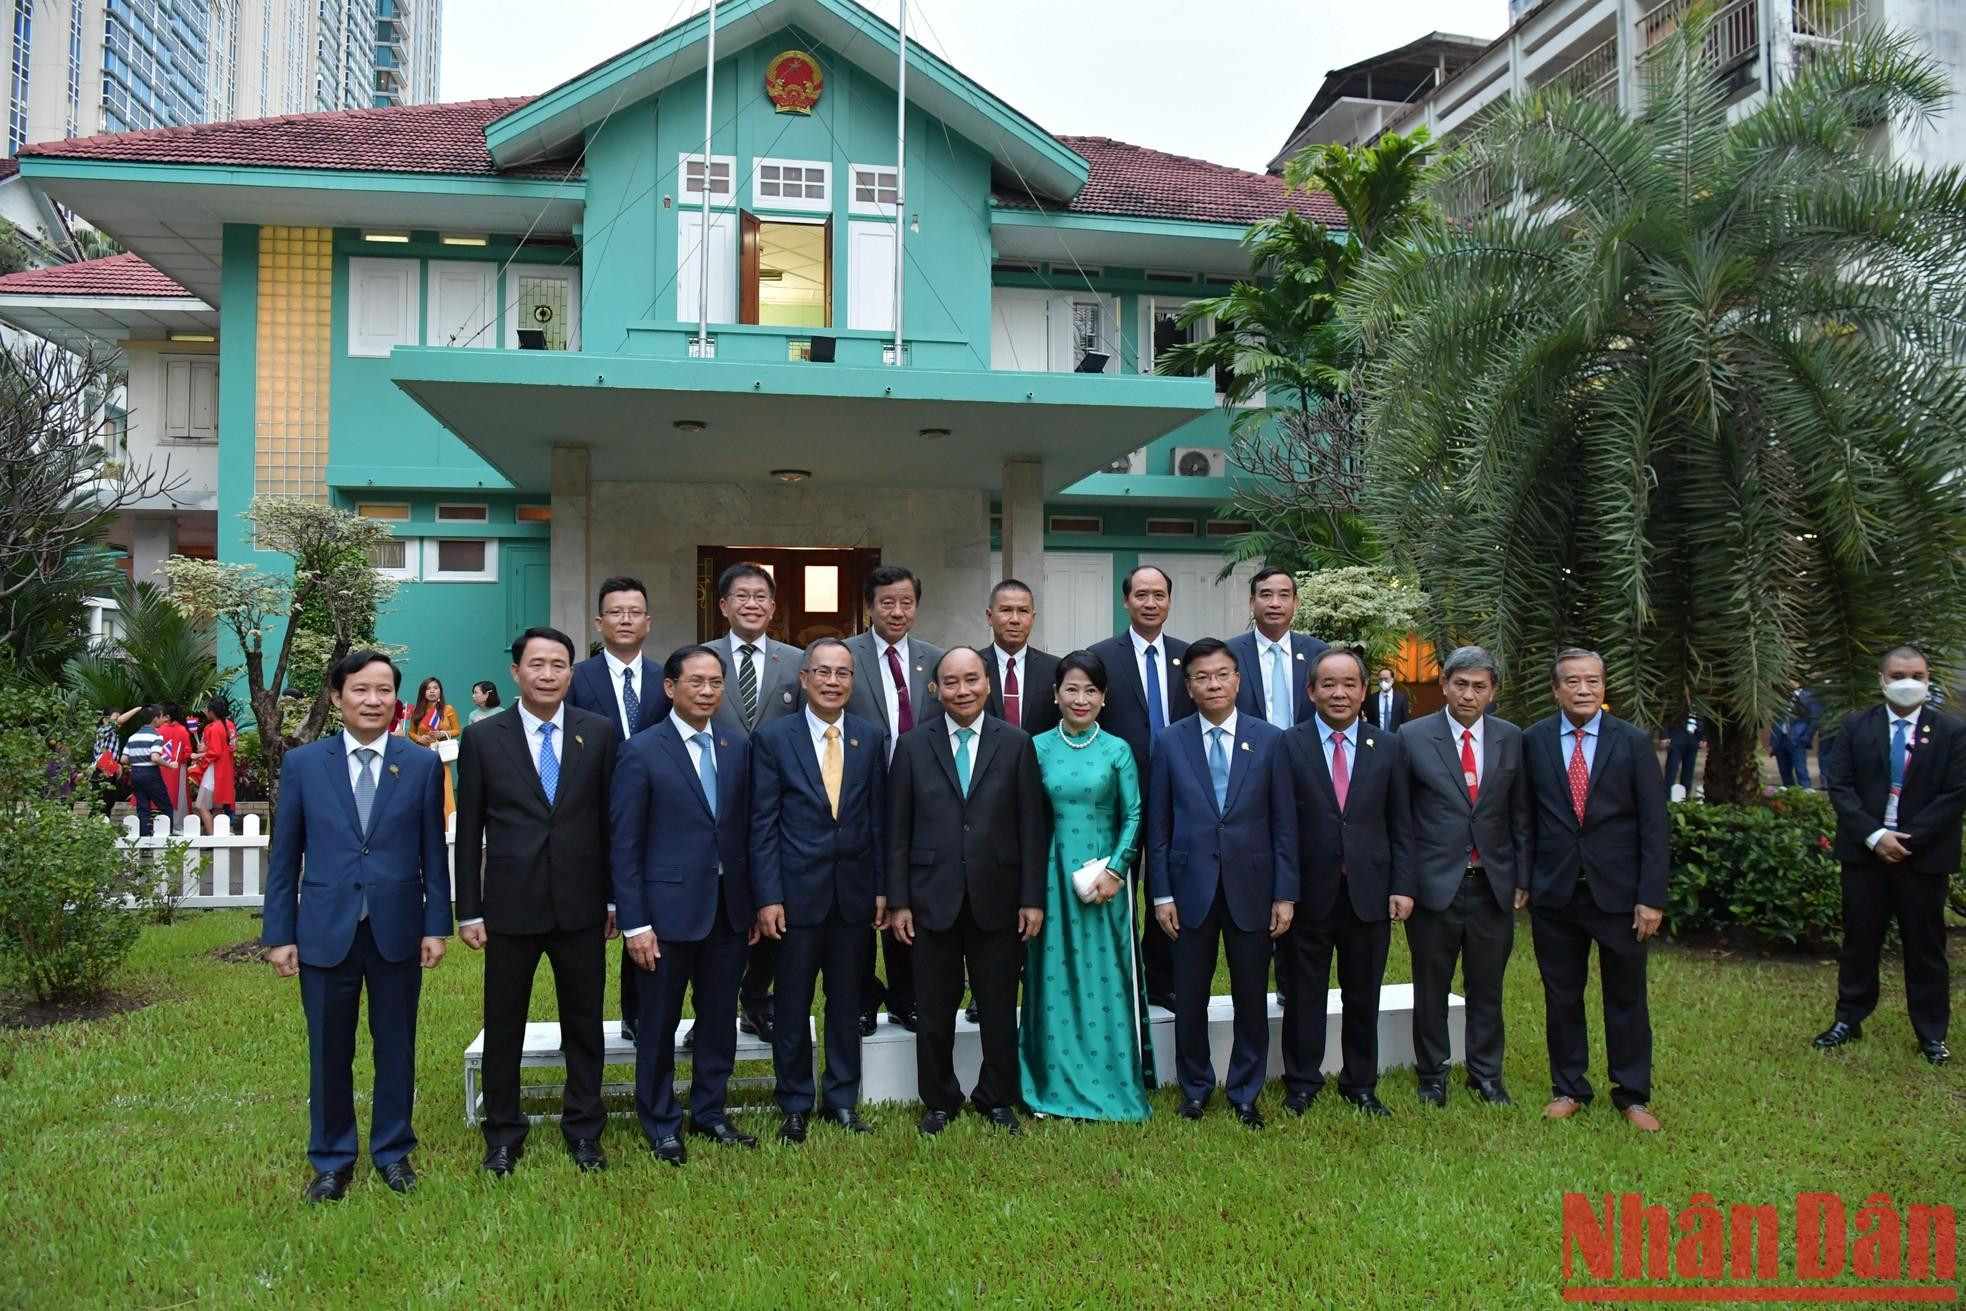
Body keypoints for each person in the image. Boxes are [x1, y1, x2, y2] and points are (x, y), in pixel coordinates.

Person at [262, 651, 450, 1202]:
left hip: (395, 928)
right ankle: (332, 1159)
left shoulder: (418, 764)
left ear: (398, 699)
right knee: (329, 1049)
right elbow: (284, 855)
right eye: (361, 690)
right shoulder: (303, 765)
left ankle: (393, 1152)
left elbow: (432, 854)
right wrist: (279, 934)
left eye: (385, 690)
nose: (374, 700)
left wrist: (435, 924)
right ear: (337, 697)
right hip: (324, 930)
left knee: (396, 1046)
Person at [454, 627, 622, 1176]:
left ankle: (584, 1130)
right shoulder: (483, 738)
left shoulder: (598, 733)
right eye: (537, 665)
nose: (548, 674)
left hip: (581, 905)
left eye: (559, 665)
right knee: (505, 1024)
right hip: (509, 905)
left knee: (584, 1023)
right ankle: (503, 1134)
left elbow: (611, 823)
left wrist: (615, 899)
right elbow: (470, 826)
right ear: (516, 673)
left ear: (571, 674)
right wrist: (469, 909)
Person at [886, 647, 1048, 1136]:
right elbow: (897, 829)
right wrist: (898, 901)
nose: (963, 690)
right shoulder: (913, 745)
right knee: (934, 1009)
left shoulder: (1017, 742)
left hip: (997, 897)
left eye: (972, 680)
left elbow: (1031, 827)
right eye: (951, 682)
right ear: (936, 689)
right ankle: (939, 1098)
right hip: (930, 897)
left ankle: (996, 1097)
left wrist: (1032, 898)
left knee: (999, 1006)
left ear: (987, 684)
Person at [611, 645, 758, 1164]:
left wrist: (754, 904)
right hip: (664, 916)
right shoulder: (642, 751)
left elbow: (745, 833)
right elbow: (625, 845)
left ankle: (710, 1112)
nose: (707, 691)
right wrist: (635, 924)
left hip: (728, 911)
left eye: (716, 682)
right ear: (670, 688)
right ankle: (659, 1120)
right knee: (658, 1022)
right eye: (695, 682)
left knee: (719, 1019)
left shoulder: (737, 747)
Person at [1148, 639, 1297, 1127]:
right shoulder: (1170, 741)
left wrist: (1284, 893)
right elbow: (1160, 825)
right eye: (1202, 678)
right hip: (1189, 889)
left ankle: (1245, 1089)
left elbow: (1283, 824)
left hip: (1252, 888)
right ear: (1188, 687)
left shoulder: (1271, 740)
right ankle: (1194, 1088)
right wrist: (1162, 893)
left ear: (1237, 680)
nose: (1213, 684)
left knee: (1250, 994)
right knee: (1189, 995)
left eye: (1222, 675)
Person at [1524, 648, 1668, 1132]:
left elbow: (1654, 824)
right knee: (1562, 995)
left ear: (1604, 687)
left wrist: (1651, 897)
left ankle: (1632, 1094)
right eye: (1572, 682)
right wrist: (1526, 879)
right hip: (1556, 894)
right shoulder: (1534, 741)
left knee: (1626, 997)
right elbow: (1525, 817)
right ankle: (1568, 1087)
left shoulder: (1632, 742)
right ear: (1555, 688)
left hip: (1620, 897)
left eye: (1592, 681)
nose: (1583, 690)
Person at [750, 638, 885, 1141]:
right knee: (791, 1003)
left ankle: (842, 1100)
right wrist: (767, 896)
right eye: (823, 672)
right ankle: (793, 1102)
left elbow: (878, 818)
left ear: (852, 681)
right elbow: (761, 824)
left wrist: (881, 889)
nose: (833, 682)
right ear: (803, 679)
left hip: (853, 894)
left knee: (847, 1001)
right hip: (794, 896)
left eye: (843, 673)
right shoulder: (773, 739)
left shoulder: (870, 738)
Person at [1815, 645, 1966, 1066]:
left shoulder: (1952, 731)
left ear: (1928, 679)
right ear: (1882, 680)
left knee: (1926, 947)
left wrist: (1907, 839)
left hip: (1923, 858)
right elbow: (1839, 784)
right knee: (1859, 941)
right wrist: (1876, 836)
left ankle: (1932, 1033)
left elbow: (1956, 793)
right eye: (1899, 674)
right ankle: (1849, 1018)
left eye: (1917, 675)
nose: (1908, 682)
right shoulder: (1856, 726)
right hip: (1866, 856)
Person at [1279, 648, 1412, 1118]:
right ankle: (1301, 1082)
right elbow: (1281, 826)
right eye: (1329, 684)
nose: (1340, 693)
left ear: (1364, 691)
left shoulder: (1389, 746)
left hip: (1369, 893)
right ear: (1311, 691)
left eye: (1350, 684)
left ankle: (1360, 1083)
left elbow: (1401, 822)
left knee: (1363, 992)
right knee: (1302, 994)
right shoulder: (1287, 745)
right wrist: (1283, 892)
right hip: (1307, 895)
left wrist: (1402, 885)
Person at [1023, 650, 1154, 1122]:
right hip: (1051, 880)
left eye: (1091, 690)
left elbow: (1135, 813)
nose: (1081, 699)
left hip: (1104, 882)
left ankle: (1113, 1082)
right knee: (1052, 978)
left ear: (1104, 698)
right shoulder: (1034, 747)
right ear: (1055, 695)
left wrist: (1117, 870)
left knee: (1106, 979)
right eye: (1072, 689)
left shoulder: (1117, 749)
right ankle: (1053, 1085)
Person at [1397, 646, 1531, 1107]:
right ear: (1444, 684)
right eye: (1461, 684)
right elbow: (1402, 818)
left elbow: (1520, 813)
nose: (1468, 695)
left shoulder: (1511, 738)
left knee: (1487, 984)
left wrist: (1522, 876)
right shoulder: (1412, 736)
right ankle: (1432, 1075)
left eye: (1479, 687)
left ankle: (1486, 1074)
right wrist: (1405, 882)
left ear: (1493, 692)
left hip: (1492, 882)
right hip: (1435, 886)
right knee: (1431, 986)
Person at [567, 575, 671, 1043]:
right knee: (592, 923)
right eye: (616, 612)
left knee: (643, 912)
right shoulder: (577, 678)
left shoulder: (664, 678)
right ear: (599, 621)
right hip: (590, 815)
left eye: (634, 612)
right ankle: (584, 1020)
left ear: (648, 622)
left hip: (652, 816)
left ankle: (638, 1012)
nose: (625, 620)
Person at [1086, 565, 1194, 1011]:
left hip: (1179, 792)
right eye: (1141, 595)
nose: (1151, 603)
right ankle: (1117, 975)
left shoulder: (1188, 657)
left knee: (1168, 886)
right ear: (1125, 601)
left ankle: (1163, 976)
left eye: (1159, 595)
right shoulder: (1100, 656)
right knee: (1118, 885)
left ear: (1170, 601)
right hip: (1119, 795)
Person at [843, 564, 944, 1035]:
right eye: (887, 602)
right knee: (863, 900)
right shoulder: (843, 656)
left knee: (910, 899)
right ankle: (862, 996)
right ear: (868, 606)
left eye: (906, 602)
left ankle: (908, 996)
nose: (897, 611)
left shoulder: (936, 660)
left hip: (920, 804)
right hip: (857, 800)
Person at [708, 561, 806, 1043]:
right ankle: (711, 1006)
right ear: (723, 606)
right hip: (714, 804)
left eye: (761, 597)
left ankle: (757, 997)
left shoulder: (796, 661)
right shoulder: (700, 660)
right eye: (741, 596)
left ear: (773, 606)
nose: (752, 604)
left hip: (780, 808)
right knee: (717, 907)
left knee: (772, 902)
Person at [1227, 566, 1328, 731]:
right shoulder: (1230, 653)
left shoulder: (1318, 653)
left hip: (1304, 751)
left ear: (1296, 603)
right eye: (1266, 595)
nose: (1275, 603)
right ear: (1252, 603)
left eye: (1284, 595)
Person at [983, 579, 1061, 737]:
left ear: (1033, 618)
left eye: (1023, 611)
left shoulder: (1055, 669)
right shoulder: (973, 667)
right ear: (989, 616)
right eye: (1006, 610)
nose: (1015, 619)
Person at [405, 677, 460, 821]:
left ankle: (448, 823)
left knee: (445, 788)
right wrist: (418, 738)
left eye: (435, 688)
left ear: (440, 691)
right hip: (423, 754)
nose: (432, 691)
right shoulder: (417, 711)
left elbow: (457, 730)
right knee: (425, 788)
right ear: (423, 692)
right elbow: (411, 732)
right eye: (428, 689)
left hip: (442, 755)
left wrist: (444, 733)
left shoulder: (448, 709)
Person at [121, 705, 174, 836]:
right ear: (155, 719)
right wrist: (170, 765)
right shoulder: (156, 737)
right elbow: (155, 757)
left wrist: (138, 757)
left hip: (135, 773)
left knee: (143, 808)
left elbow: (123, 759)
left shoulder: (133, 737)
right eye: (161, 717)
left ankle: (144, 839)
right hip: (150, 773)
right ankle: (166, 836)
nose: (163, 720)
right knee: (165, 806)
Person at [190, 695, 239, 830]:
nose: (205, 711)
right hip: (225, 769)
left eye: (207, 708)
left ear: (212, 711)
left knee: (202, 805)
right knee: (217, 806)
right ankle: (218, 835)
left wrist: (199, 756)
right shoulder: (229, 725)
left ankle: (212, 837)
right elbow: (230, 747)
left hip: (214, 770)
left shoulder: (214, 727)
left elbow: (215, 752)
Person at [92, 704, 142, 818]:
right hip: (101, 771)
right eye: (115, 718)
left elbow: (111, 754)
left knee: (108, 802)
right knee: (100, 803)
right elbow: (119, 722)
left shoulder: (112, 735)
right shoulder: (103, 730)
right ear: (105, 720)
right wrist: (137, 709)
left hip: (109, 770)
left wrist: (117, 765)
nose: (119, 721)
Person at [155, 701, 195, 820]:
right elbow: (187, 753)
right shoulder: (183, 730)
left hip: (159, 766)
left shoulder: (157, 730)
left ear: (167, 716)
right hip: (178, 768)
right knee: (179, 796)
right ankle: (178, 823)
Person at [1771, 688, 1818, 789]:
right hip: (1780, 737)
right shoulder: (1781, 696)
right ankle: (1788, 786)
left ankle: (1806, 787)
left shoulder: (1807, 696)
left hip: (1797, 738)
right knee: (1783, 767)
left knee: (1800, 767)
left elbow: (1814, 719)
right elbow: (1775, 718)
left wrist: (1806, 737)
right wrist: (1773, 740)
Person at [1659, 711, 1702, 800]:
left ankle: (1685, 798)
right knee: (1672, 770)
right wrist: (1664, 736)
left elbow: (1703, 721)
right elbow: (1664, 718)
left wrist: (1703, 738)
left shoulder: (1699, 705)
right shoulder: (1677, 700)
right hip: (1676, 741)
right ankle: (1666, 797)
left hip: (1693, 741)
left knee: (1689, 771)